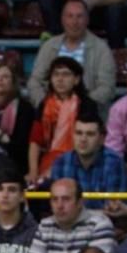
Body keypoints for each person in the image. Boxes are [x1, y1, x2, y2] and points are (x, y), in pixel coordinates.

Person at [27, 0, 115, 111]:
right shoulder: (49, 46)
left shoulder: (101, 48)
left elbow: (107, 87)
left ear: (87, 20)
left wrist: (79, 106)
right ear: (62, 19)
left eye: (79, 16)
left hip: (87, 115)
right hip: (51, 111)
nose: (74, 22)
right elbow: (35, 81)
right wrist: (46, 104)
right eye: (70, 16)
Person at [27, 56, 97, 187]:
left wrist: (56, 168)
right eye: (56, 75)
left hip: (77, 160)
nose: (60, 79)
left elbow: (87, 139)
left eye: (65, 74)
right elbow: (35, 141)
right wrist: (33, 171)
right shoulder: (44, 104)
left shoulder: (87, 105)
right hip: (47, 160)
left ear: (76, 79)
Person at [50, 113, 127, 210]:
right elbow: (56, 206)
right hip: (68, 222)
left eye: (90, 134)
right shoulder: (60, 163)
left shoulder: (114, 163)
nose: (83, 139)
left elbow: (115, 208)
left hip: (104, 222)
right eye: (79, 133)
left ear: (102, 139)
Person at [39, 0, 127, 49]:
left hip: (116, 12)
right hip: (87, 10)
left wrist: (95, 1)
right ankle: (57, 43)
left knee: (115, 10)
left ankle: (115, 53)